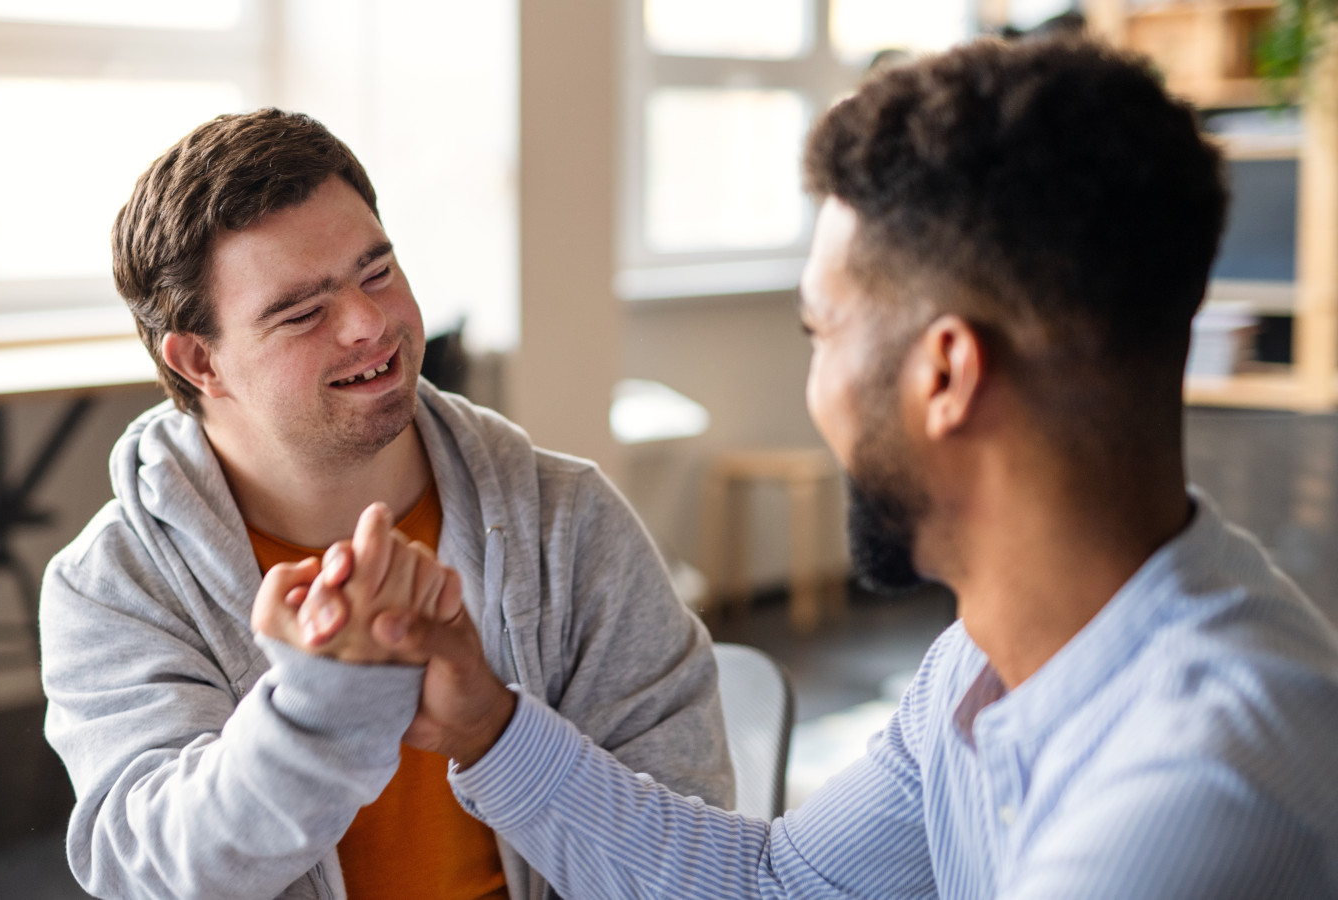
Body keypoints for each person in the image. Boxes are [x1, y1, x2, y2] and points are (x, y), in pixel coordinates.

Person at [269, 37, 1338, 898]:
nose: (814, 383)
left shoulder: (1202, 790)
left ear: (946, 374)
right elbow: (783, 882)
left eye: (820, 331)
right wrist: (488, 726)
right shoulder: (987, 660)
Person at [38, 108, 733, 900]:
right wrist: (323, 702)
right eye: (302, 312)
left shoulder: (567, 521)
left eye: (378, 272)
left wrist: (497, 730)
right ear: (200, 361)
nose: (371, 324)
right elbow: (153, 875)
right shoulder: (113, 585)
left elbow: (693, 852)